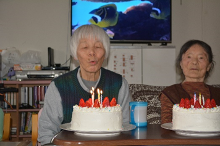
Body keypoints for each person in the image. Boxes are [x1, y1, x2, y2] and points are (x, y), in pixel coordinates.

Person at [38, 24, 131, 145]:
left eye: (98, 46)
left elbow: (127, 129)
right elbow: (46, 135)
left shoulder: (119, 84)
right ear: (75, 54)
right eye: (85, 47)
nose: (92, 52)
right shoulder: (59, 86)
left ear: (105, 52)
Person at [160, 39, 220, 124]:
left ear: (208, 66)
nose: (194, 62)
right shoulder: (170, 93)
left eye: (201, 58)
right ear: (181, 63)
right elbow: (166, 126)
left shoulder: (218, 93)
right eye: (189, 57)